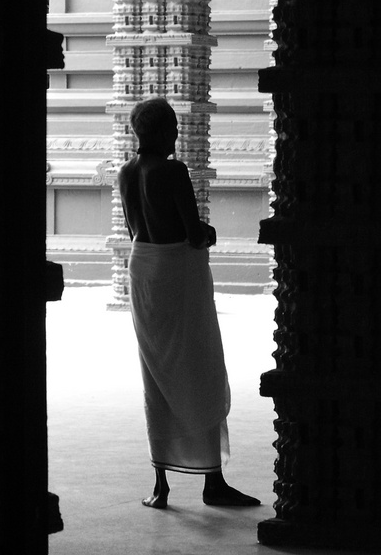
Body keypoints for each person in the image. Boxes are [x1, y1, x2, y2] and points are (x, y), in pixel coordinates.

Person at [119, 96, 260, 510]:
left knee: (157, 375)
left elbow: (132, 228)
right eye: (174, 129)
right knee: (200, 368)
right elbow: (193, 232)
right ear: (162, 132)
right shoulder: (173, 170)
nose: (178, 136)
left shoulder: (127, 173)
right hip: (177, 272)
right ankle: (213, 482)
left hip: (142, 270)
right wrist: (212, 233)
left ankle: (161, 484)